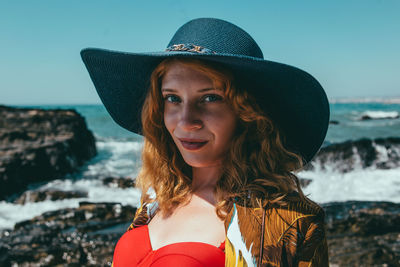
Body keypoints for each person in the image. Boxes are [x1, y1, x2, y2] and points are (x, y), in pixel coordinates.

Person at [81, 18, 330, 267]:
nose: (187, 121)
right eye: (173, 98)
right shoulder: (156, 199)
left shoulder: (290, 223)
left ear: (247, 113)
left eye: (210, 98)